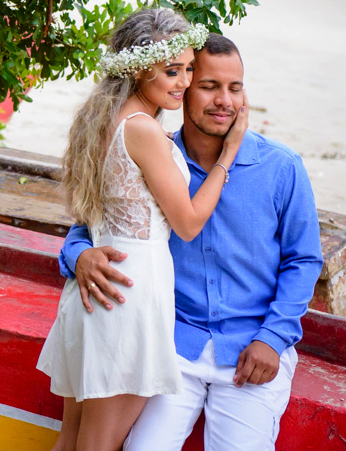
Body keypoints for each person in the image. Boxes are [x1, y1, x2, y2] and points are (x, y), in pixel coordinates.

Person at [60, 34, 323, 451]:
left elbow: (303, 260)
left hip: (250, 349)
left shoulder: (281, 166)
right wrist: (79, 255)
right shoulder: (157, 153)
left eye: (235, 88)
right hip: (173, 345)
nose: (225, 101)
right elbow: (92, 224)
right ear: (182, 88)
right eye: (209, 86)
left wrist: (272, 338)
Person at [36, 9, 248, 451]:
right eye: (172, 71)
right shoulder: (143, 131)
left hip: (99, 284)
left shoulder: (105, 119)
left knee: (71, 440)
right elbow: (187, 223)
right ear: (137, 69)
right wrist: (227, 156)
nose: (184, 82)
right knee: (98, 444)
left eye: (188, 70)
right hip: (129, 292)